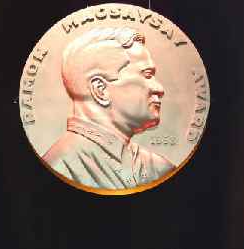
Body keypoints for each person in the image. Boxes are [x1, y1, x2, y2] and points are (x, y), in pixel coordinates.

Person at [42, 27, 175, 190]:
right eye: (147, 75)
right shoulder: (60, 164)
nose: (159, 88)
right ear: (100, 89)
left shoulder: (158, 167)